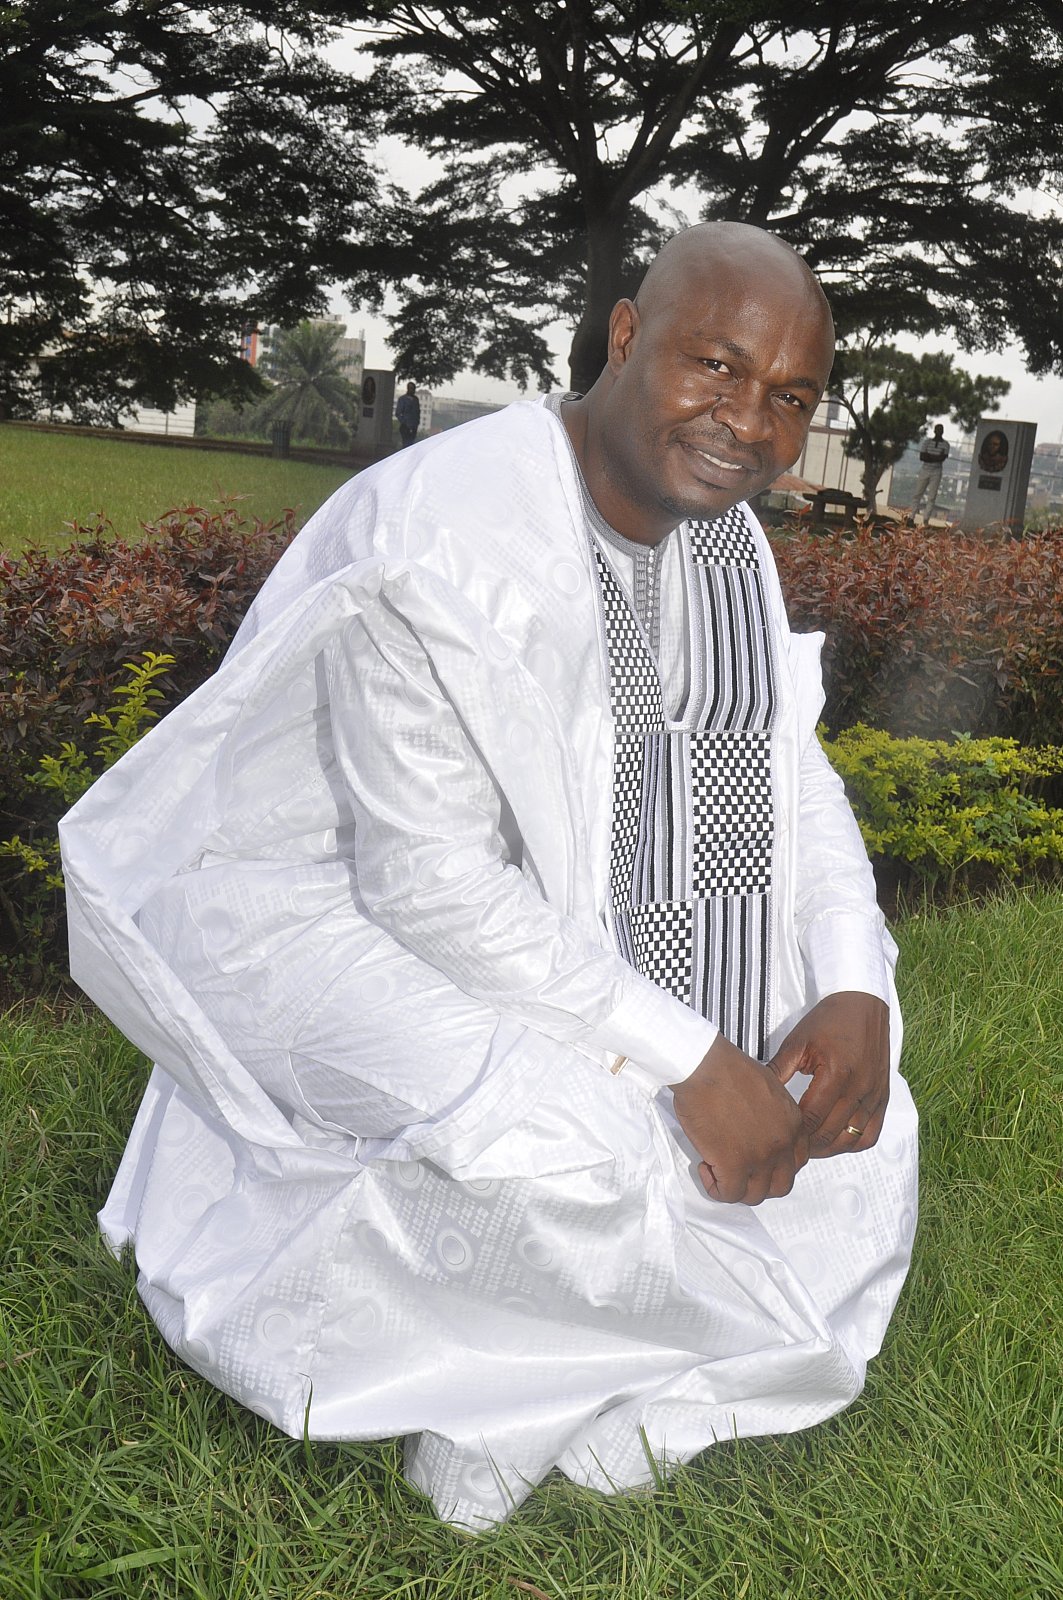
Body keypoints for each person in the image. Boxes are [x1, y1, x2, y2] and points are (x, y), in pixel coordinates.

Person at [60, 222, 918, 1531]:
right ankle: (485, 1401)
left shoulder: (720, 538)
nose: (748, 423)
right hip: (302, 908)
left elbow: (775, 764)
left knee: (854, 1106)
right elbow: (427, 884)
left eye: (789, 397)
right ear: (624, 338)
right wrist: (690, 1057)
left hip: (547, 896)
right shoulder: (445, 531)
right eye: (714, 365)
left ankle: (629, 1367)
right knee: (578, 1143)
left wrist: (852, 982)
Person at [910, 423, 950, 521]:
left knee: (932, 496)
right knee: (917, 493)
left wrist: (929, 456)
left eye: (941, 430)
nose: (939, 432)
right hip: (925, 470)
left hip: (936, 472)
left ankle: (926, 518)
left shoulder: (946, 444)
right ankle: (911, 516)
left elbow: (942, 458)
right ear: (934, 431)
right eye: (937, 430)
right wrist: (936, 457)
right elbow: (922, 457)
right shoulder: (927, 442)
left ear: (943, 432)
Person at [395, 380, 421, 447]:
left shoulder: (416, 399)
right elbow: (398, 413)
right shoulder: (402, 399)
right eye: (411, 388)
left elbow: (417, 412)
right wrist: (404, 422)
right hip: (405, 426)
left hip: (414, 426)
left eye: (413, 388)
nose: (412, 390)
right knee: (405, 444)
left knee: (411, 444)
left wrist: (417, 422)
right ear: (408, 388)